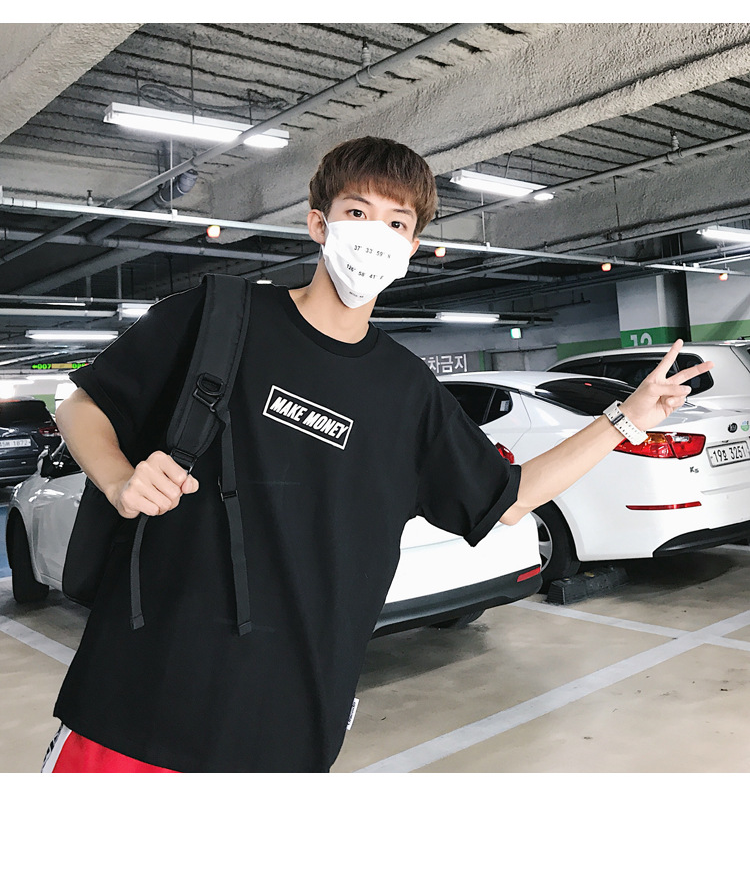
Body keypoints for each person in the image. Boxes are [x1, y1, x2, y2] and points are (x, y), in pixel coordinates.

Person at [42, 136, 712, 773]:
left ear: (412, 247)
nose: (375, 235)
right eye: (357, 213)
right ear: (318, 223)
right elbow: (80, 405)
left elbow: (507, 500)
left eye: (397, 223)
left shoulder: (407, 392)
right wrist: (120, 479)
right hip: (139, 694)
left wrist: (625, 419)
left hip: (290, 715)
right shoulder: (217, 318)